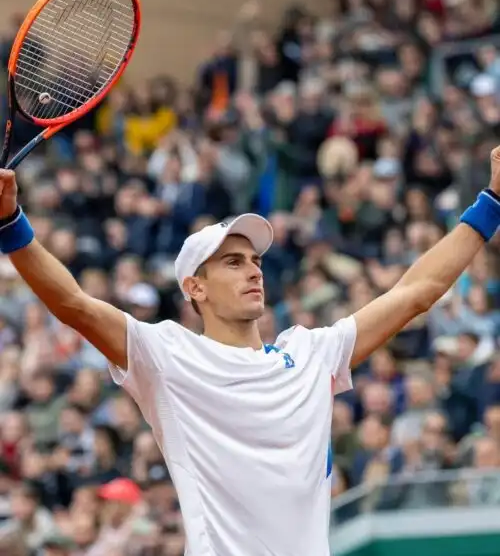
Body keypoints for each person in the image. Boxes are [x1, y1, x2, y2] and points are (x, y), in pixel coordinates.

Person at [0, 147, 498, 556]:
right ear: (195, 287)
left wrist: (492, 200)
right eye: (233, 263)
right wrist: (11, 224)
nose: (254, 271)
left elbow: (416, 293)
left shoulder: (310, 352)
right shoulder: (167, 355)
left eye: (256, 261)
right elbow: (73, 304)